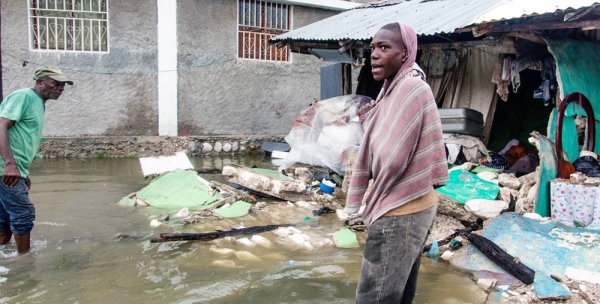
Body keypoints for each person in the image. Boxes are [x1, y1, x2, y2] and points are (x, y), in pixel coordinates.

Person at [344, 22, 448, 303]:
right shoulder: (392, 90)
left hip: (401, 209)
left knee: (374, 296)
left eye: (384, 47)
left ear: (405, 54)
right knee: (397, 294)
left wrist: (373, 192)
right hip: (412, 206)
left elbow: (392, 157)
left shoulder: (411, 89)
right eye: (372, 48)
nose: (374, 55)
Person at [0, 66, 73, 254]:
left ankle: (6, 259)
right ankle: (24, 264)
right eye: (56, 83)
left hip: (12, 170)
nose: (60, 88)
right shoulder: (23, 96)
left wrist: (23, 172)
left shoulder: (38, 103)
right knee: (23, 214)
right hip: (4, 169)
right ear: (40, 82)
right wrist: (10, 164)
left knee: (5, 219)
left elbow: (21, 139)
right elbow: (1, 126)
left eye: (63, 86)